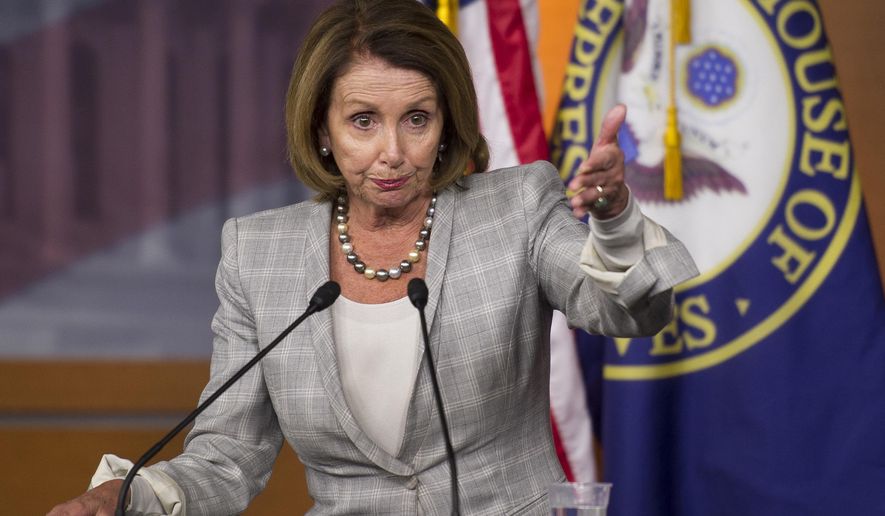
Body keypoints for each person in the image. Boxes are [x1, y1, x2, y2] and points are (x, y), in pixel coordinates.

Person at [49, 0, 697, 514]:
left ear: (446, 121)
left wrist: (611, 215)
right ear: (321, 130)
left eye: (416, 118)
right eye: (362, 120)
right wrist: (125, 497)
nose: (392, 150)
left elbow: (627, 314)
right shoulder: (259, 255)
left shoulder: (517, 206)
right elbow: (226, 458)